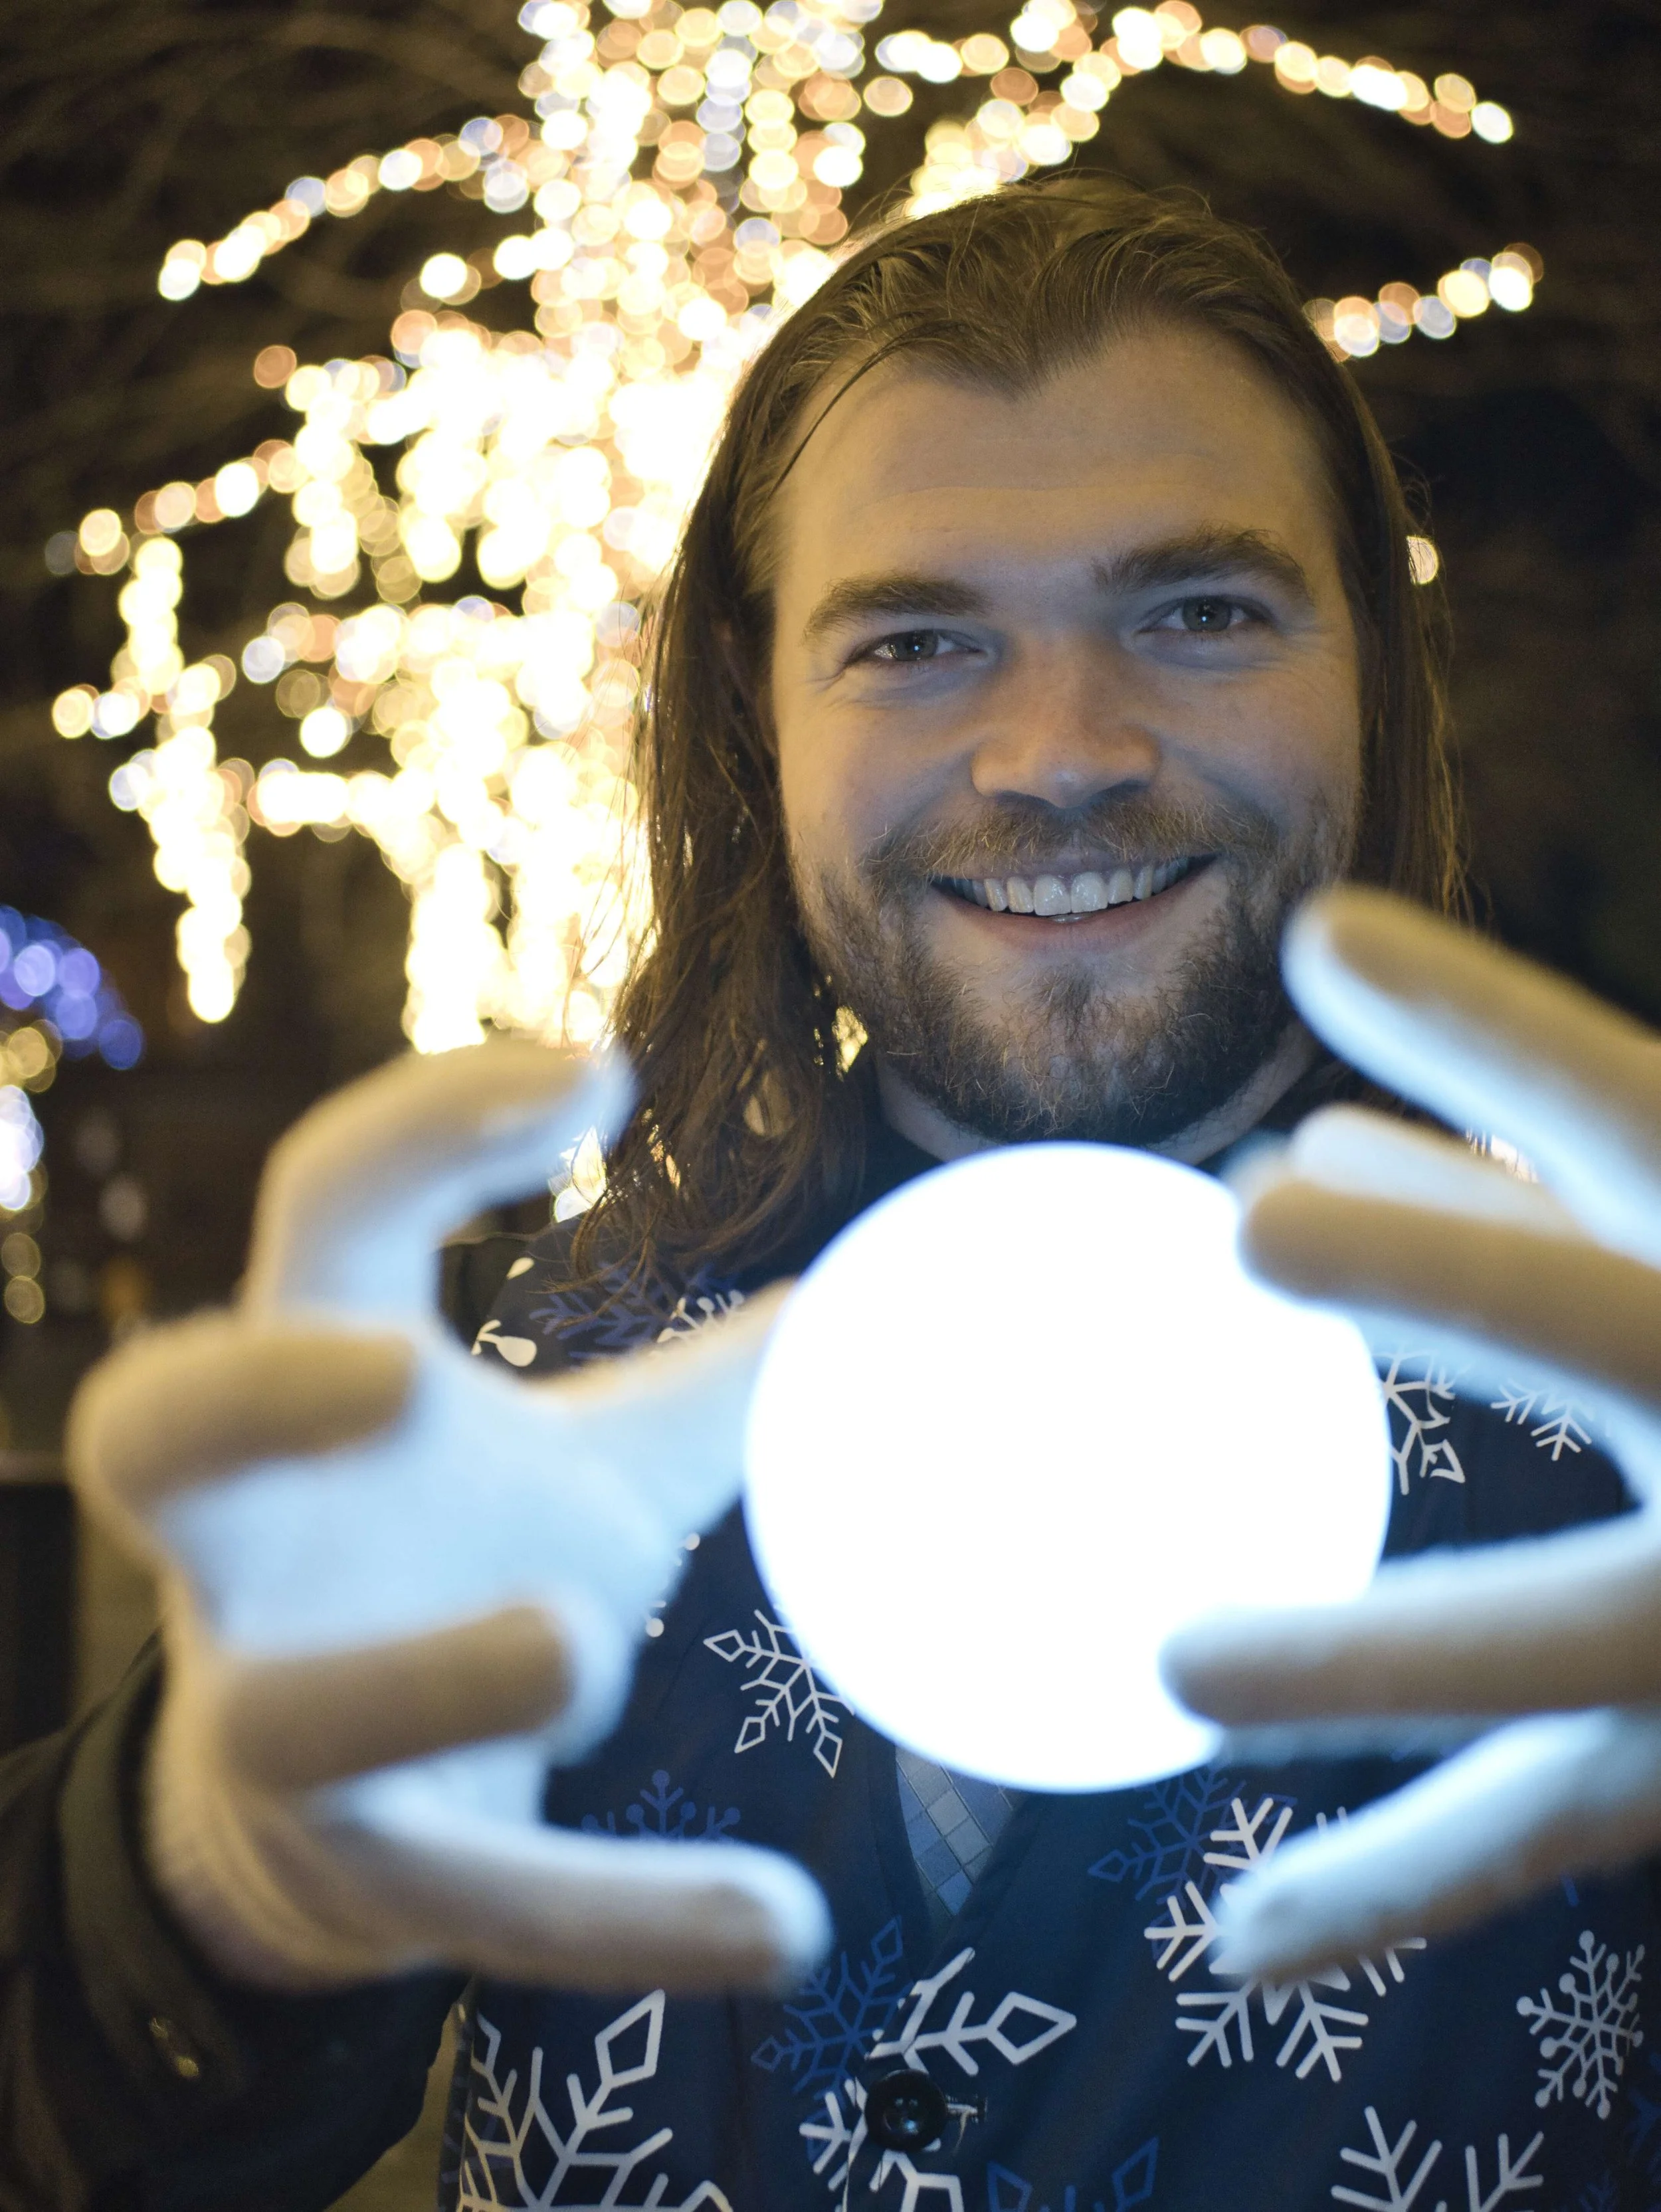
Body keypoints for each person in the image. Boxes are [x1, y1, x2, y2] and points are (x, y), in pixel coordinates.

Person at [5, 179, 1655, 2210]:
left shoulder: (1616, 1423)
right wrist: (201, 1907)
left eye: (1198, 611)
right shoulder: (507, 1417)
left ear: (1369, 672)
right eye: (914, 639)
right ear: (753, 717)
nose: (1057, 752)